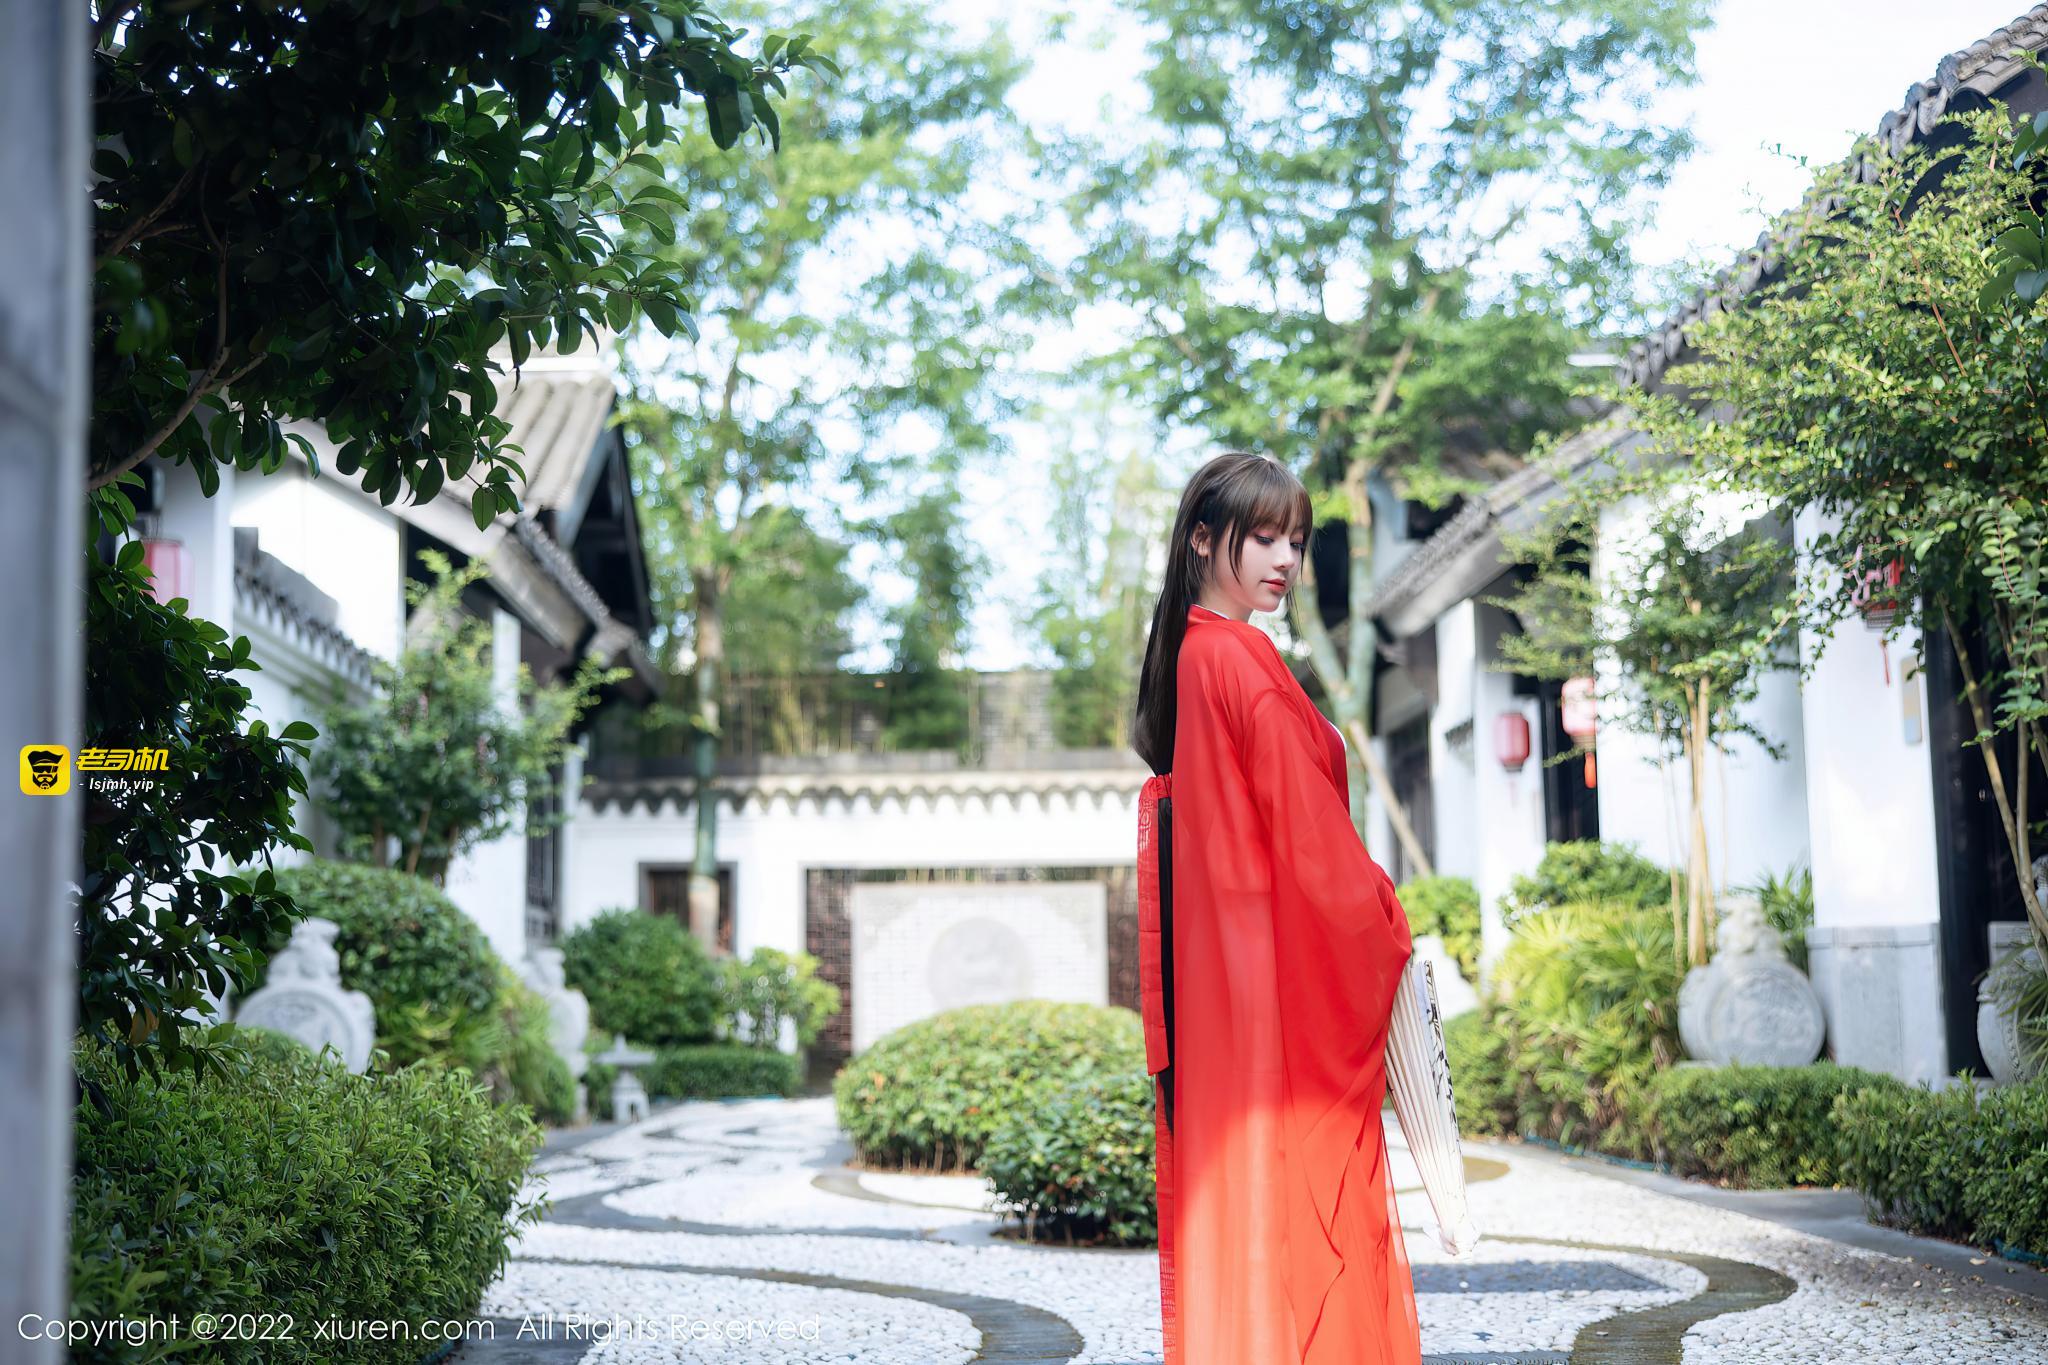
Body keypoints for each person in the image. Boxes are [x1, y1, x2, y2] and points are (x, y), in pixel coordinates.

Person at [1132, 451, 1421, 1365]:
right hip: (1268, 983)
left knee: (1247, 1202)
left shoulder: (1194, 653)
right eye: (1263, 537)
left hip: (1225, 982)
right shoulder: (1239, 657)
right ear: (1203, 539)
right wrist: (1384, 916)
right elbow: (1307, 837)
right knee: (1288, 1198)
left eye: (1295, 539)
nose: (1287, 558)